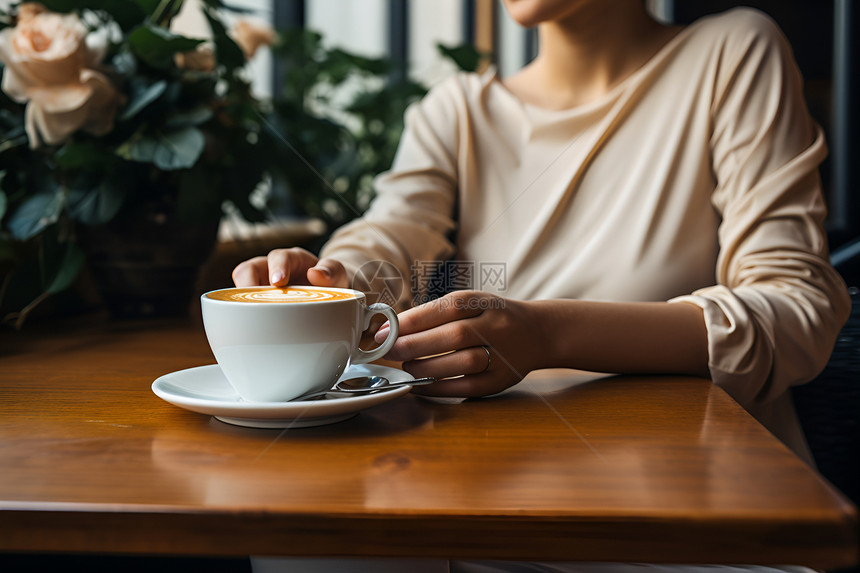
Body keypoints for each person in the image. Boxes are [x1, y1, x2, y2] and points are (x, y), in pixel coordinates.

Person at [237, 1, 849, 570]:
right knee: (301, 534)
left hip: (692, 517)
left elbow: (796, 310)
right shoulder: (459, 110)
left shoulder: (733, 54)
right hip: (489, 506)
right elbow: (391, 235)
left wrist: (549, 334)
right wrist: (333, 282)